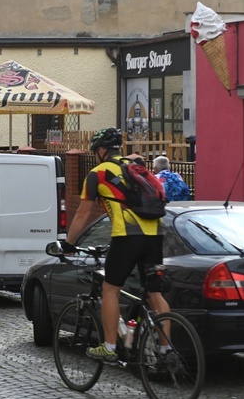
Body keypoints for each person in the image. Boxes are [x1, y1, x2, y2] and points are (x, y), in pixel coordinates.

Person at [62, 128, 170, 362]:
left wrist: (69, 243)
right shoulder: (139, 169)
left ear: (101, 151)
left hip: (127, 236)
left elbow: (83, 213)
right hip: (155, 235)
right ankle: (165, 349)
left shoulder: (98, 173)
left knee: (110, 289)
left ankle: (109, 346)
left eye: (94, 152)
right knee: (154, 292)